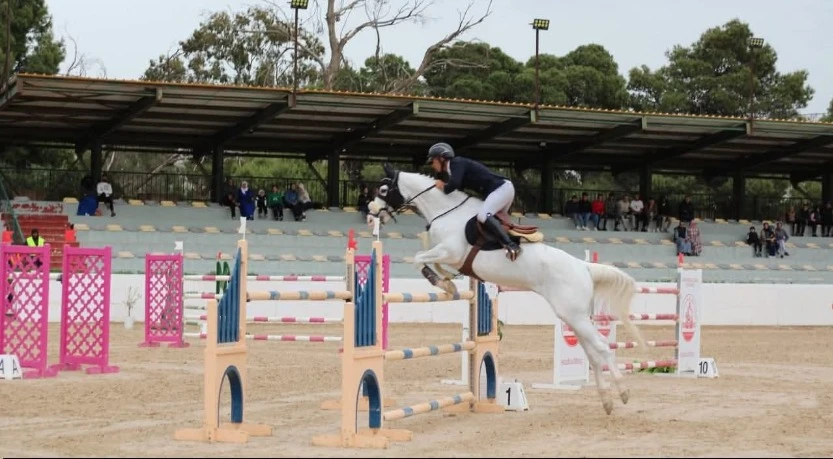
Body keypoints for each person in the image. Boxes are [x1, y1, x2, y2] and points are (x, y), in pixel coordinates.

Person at [426, 142, 521, 261]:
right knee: (491, 225)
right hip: (499, 191)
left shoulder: (456, 163)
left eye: (433, 161)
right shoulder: (453, 170)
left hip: (501, 188)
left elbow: (454, 185)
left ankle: (511, 245)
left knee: (483, 216)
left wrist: (443, 186)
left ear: (442, 158)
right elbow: (456, 196)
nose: (432, 165)